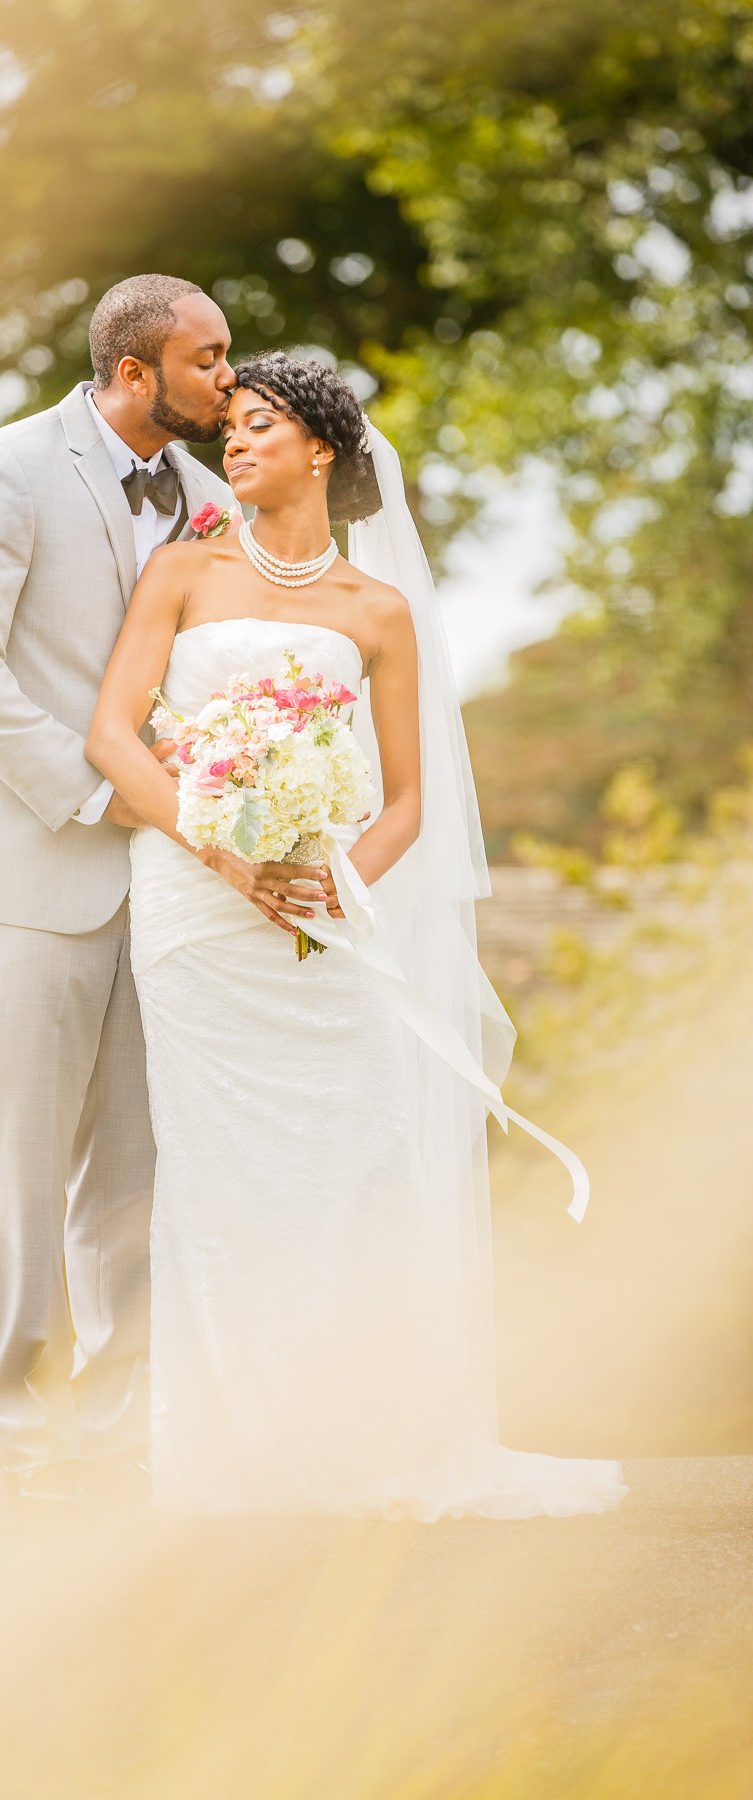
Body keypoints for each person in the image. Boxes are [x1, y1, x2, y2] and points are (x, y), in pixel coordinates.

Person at [86, 351, 629, 1519]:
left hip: (327, 922)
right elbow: (115, 739)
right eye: (227, 425)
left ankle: (371, 1439)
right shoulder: (181, 574)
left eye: (259, 423)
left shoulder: (376, 612)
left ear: (321, 449)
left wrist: (338, 890)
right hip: (197, 907)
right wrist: (224, 849)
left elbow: (409, 803)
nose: (232, 441)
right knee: (217, 1170)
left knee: (360, 1156)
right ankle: (229, 1457)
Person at [0, 275, 238, 1499]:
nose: (226, 381)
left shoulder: (207, 496)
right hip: (21, 868)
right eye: (207, 360)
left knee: (133, 1179)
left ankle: (118, 1428)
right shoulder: (7, 468)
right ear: (134, 372)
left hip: (164, 884)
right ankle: (28, 1444)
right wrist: (94, 796)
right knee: (23, 1170)